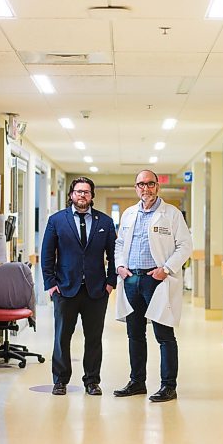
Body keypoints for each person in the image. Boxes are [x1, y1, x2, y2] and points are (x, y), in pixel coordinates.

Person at [113, 170, 192, 402]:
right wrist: (120, 267)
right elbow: (119, 244)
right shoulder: (128, 214)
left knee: (164, 335)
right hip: (131, 279)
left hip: (156, 280)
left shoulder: (171, 214)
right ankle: (137, 382)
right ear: (136, 188)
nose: (145, 188)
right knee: (134, 334)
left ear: (157, 187)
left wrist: (165, 269)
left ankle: (168, 386)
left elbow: (185, 246)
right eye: (140, 184)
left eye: (149, 184)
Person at [41, 176, 116, 396]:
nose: (82, 195)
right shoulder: (56, 220)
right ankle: (60, 380)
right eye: (78, 191)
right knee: (62, 337)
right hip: (65, 289)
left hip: (96, 291)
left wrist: (110, 283)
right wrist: (51, 285)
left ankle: (92, 381)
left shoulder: (105, 222)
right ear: (71, 195)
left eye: (86, 192)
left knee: (94, 338)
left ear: (92, 196)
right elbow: (47, 254)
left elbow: (114, 255)